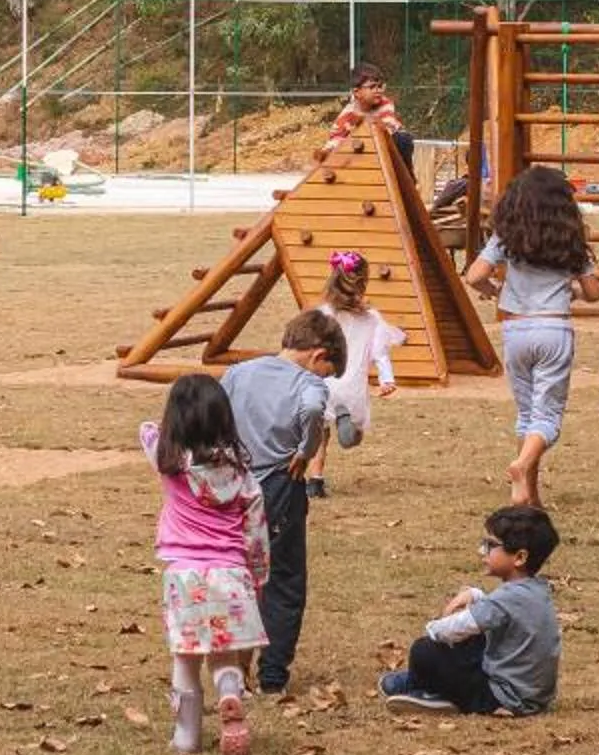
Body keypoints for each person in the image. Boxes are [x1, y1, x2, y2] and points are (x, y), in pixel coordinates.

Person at [221, 308, 358, 697]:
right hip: (281, 484)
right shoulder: (308, 385)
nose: (324, 379)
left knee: (238, 574)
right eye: (327, 371)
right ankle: (272, 674)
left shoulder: (238, 373)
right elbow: (314, 409)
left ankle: (232, 667)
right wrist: (307, 447)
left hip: (234, 484)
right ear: (318, 355)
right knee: (283, 578)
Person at [142, 374, 268, 755]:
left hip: (184, 578)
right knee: (223, 656)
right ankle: (230, 693)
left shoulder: (169, 462)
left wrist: (177, 427)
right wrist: (259, 577)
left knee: (185, 658)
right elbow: (256, 531)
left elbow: (146, 430)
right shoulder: (242, 473)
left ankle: (186, 738)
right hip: (231, 576)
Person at [467, 164, 599, 508]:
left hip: (516, 329)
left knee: (526, 414)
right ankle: (523, 466)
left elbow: (474, 276)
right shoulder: (571, 240)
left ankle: (528, 494)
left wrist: (498, 292)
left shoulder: (506, 237)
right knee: (548, 416)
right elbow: (594, 293)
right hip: (553, 328)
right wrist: (571, 290)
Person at [380, 504, 562, 715]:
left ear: (519, 557)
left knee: (425, 650)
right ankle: (422, 681)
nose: (481, 551)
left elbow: (458, 627)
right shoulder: (536, 589)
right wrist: (476, 595)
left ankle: (428, 690)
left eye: (490, 545)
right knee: (474, 640)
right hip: (531, 693)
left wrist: (433, 628)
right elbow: (505, 613)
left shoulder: (508, 598)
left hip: (501, 696)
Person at [307, 249, 401, 497]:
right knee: (352, 439)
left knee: (320, 432)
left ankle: (315, 480)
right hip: (352, 386)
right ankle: (347, 424)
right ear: (363, 282)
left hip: (325, 383)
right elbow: (380, 352)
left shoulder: (323, 315)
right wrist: (386, 379)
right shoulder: (371, 319)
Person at [327, 65, 414, 167]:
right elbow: (334, 139)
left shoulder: (385, 104)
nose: (377, 90)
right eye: (372, 87)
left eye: (380, 86)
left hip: (386, 149)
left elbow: (387, 129)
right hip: (360, 154)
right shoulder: (347, 115)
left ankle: (407, 177)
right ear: (356, 92)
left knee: (403, 139)